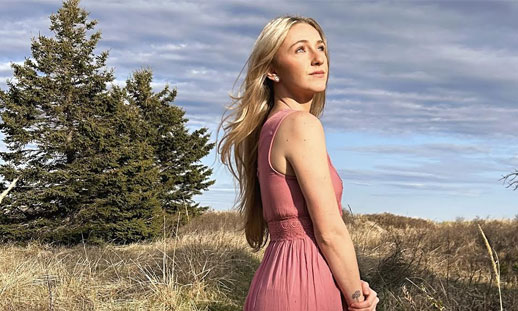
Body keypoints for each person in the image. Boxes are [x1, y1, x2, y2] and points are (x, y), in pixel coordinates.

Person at [217, 15, 380, 311]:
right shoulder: (301, 125)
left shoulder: (269, 127)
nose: (318, 59)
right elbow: (329, 230)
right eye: (301, 50)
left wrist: (351, 282)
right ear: (272, 70)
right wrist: (358, 298)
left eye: (321, 48)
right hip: (306, 283)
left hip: (275, 280)